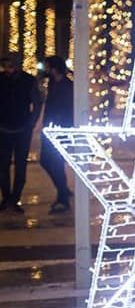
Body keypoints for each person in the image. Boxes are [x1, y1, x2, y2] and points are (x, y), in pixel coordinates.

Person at [0, 56, 43, 214]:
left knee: (20, 167)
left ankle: (14, 199)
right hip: (4, 128)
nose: (7, 69)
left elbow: (37, 102)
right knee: (3, 167)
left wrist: (31, 123)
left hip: (21, 128)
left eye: (10, 66)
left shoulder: (28, 80)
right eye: (5, 66)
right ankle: (6, 198)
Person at [40, 56, 74, 212]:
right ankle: (63, 190)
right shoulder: (53, 84)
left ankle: (63, 198)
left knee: (56, 163)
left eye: (47, 66)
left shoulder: (67, 85)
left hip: (61, 131)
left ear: (53, 68)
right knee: (45, 161)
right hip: (50, 129)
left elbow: (66, 109)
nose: (45, 69)